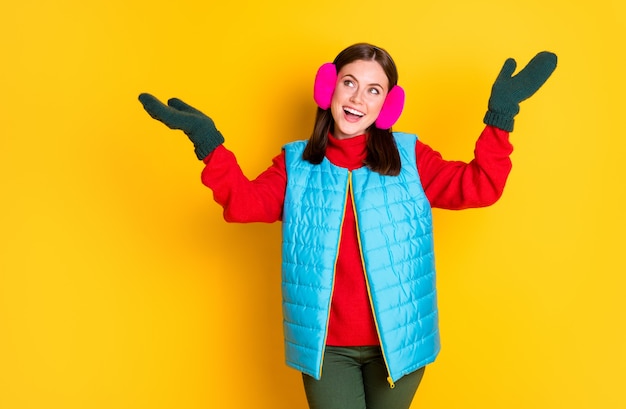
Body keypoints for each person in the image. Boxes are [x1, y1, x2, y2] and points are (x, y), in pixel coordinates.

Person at [138, 43, 557, 409]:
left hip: (401, 345)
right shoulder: (295, 165)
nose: (358, 98)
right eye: (349, 82)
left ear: (387, 104)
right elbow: (245, 204)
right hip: (326, 349)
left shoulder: (411, 159)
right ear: (329, 88)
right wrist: (208, 143)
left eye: (374, 90)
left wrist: (500, 118)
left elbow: (480, 186)